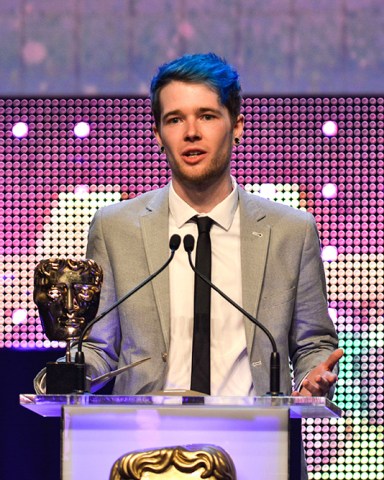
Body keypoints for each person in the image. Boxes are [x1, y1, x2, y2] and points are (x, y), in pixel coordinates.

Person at [73, 52, 342, 400]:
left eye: (207, 116)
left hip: (256, 439)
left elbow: (313, 343)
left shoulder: (291, 231)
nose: (191, 133)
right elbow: (99, 348)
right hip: (145, 442)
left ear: (237, 125)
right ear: (157, 134)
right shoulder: (115, 228)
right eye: (174, 120)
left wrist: (311, 378)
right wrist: (67, 375)